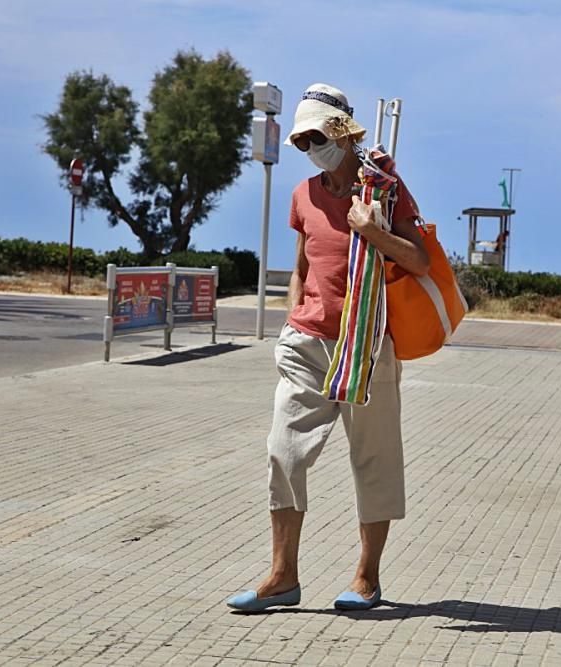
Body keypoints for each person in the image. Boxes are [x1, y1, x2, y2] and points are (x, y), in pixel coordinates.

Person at [227, 83, 430, 612]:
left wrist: (374, 231)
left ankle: (367, 577)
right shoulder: (302, 195)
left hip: (366, 344)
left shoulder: (384, 189)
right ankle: (282, 577)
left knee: (374, 459)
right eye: (301, 141)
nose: (310, 148)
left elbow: (420, 260)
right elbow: (301, 265)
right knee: (283, 452)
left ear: (341, 133)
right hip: (308, 344)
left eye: (316, 136)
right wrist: (293, 319)